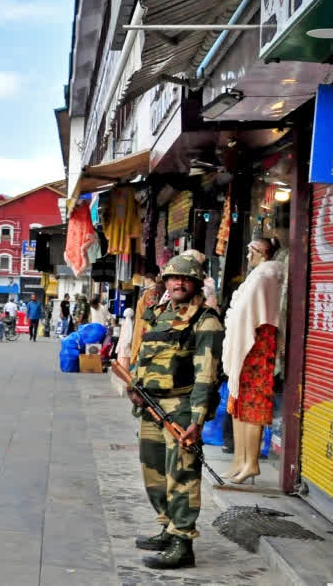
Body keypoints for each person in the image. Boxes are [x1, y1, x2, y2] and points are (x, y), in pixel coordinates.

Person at [129, 254, 223, 570]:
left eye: (185, 278)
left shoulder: (205, 320)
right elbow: (141, 356)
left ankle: (183, 543)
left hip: (181, 409)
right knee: (154, 473)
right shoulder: (156, 314)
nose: (178, 283)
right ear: (165, 282)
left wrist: (196, 420)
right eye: (172, 278)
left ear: (195, 282)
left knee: (181, 475)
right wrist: (135, 385)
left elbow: (206, 375)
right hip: (151, 407)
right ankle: (168, 528)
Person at [221, 238, 284, 484]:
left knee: (252, 408)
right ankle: (240, 460)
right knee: (237, 405)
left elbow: (248, 314)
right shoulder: (258, 276)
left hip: (257, 346)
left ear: (260, 252)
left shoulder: (264, 276)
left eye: (250, 252)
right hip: (249, 347)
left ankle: (251, 463)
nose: (247, 257)